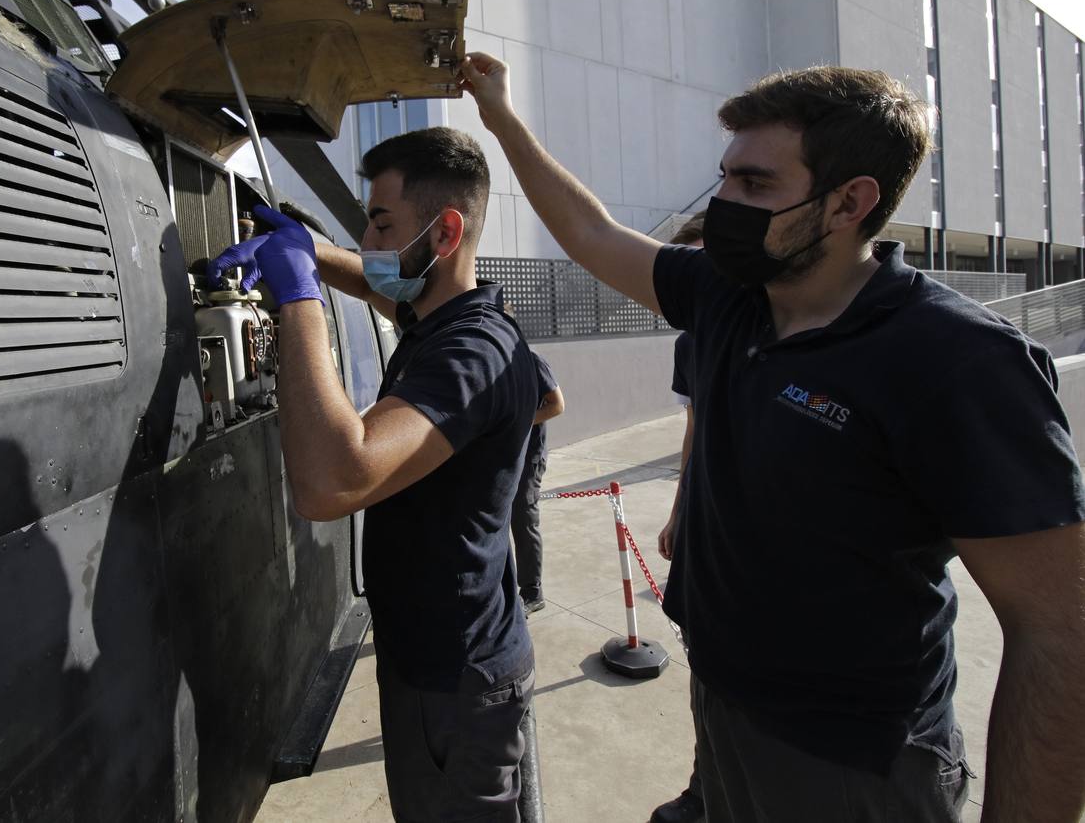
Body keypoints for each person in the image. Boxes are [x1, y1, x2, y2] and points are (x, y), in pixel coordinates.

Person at [459, 53, 1085, 822]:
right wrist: (500, 117)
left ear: (848, 202)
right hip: (723, 700)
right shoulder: (730, 297)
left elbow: (1059, 630)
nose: (723, 201)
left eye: (755, 184)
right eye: (724, 176)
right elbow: (592, 233)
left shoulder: (956, 360)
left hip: (848, 759)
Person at [207, 126, 537, 822]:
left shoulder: (469, 352)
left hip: (456, 677)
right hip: (438, 656)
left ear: (443, 233)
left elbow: (332, 481)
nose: (366, 238)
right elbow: (378, 284)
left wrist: (299, 301)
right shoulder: (444, 316)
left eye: (380, 222)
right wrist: (306, 251)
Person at [652, 213, 706, 823]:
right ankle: (706, 785)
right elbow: (694, 430)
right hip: (703, 534)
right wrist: (678, 511)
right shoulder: (690, 343)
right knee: (707, 670)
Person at [513, 345, 564, 616]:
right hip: (504, 457)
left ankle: (533, 593)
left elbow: (557, 405)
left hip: (529, 457)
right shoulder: (491, 359)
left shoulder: (531, 359)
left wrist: (517, 421)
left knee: (523, 520)